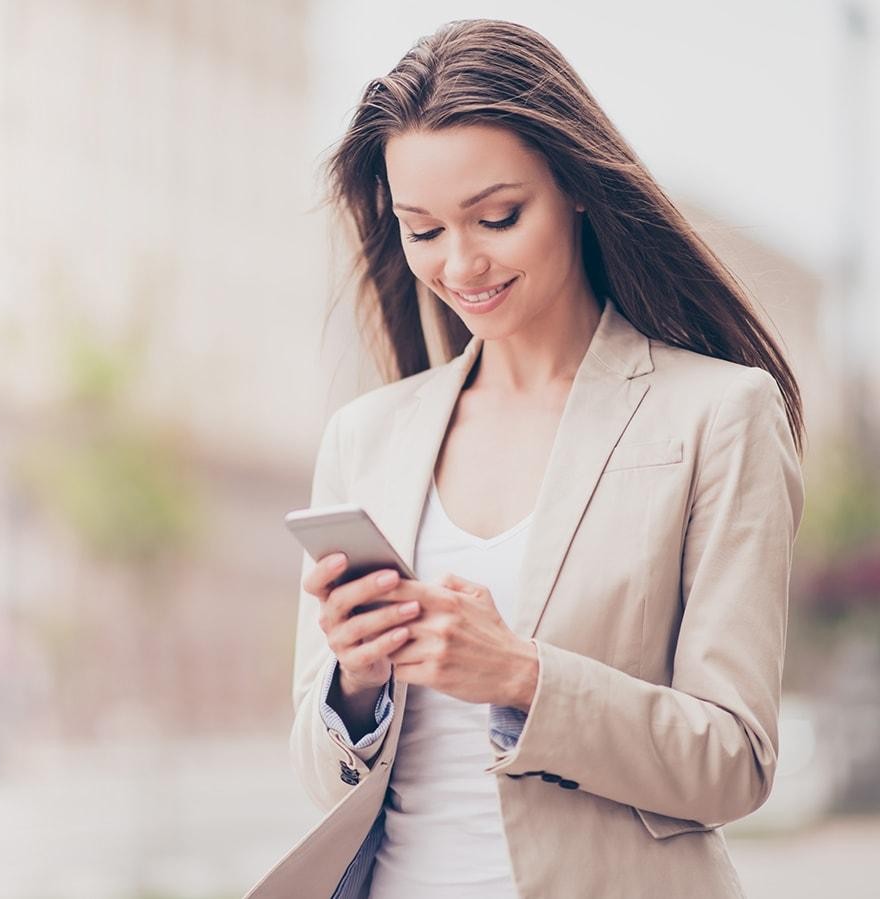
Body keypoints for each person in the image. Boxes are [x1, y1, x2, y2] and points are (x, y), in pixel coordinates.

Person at [278, 18, 805, 899]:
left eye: (497, 216)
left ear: (576, 187)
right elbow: (317, 774)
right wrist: (357, 682)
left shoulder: (717, 413)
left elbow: (735, 760)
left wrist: (525, 676)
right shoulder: (365, 438)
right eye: (423, 230)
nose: (461, 262)